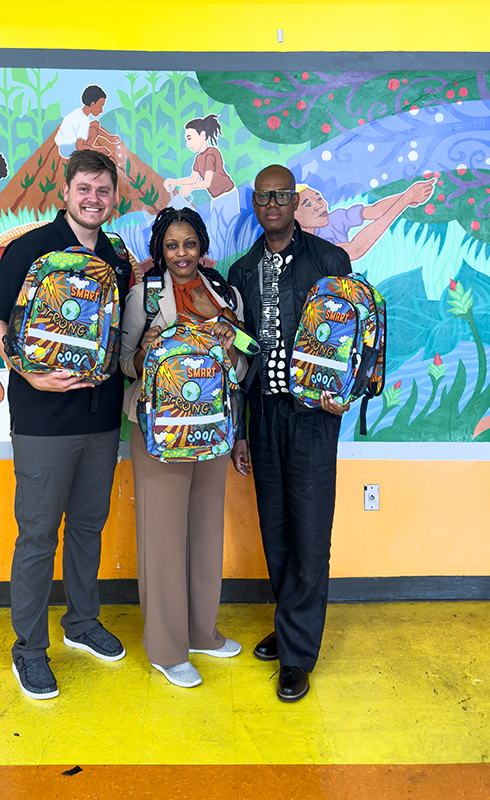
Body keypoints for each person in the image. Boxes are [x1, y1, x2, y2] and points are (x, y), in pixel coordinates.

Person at [0, 150, 133, 700]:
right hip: (44, 418)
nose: (93, 199)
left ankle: (82, 623)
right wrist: (25, 370)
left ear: (114, 198)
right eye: (84, 189)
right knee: (39, 535)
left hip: (102, 416)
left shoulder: (117, 259)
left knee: (90, 526)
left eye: (103, 190)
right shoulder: (27, 249)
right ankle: (29, 650)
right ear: (65, 192)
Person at [228, 165, 352, 703]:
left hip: (312, 417)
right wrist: (238, 430)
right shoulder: (242, 270)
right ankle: (289, 623)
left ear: (295, 200)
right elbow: (235, 356)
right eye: (263, 197)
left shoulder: (330, 260)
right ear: (255, 204)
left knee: (309, 532)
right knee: (275, 530)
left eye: (282, 195)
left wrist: (347, 388)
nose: (272, 203)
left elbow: (357, 333)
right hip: (264, 413)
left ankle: (299, 654)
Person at [119, 207, 246, 689]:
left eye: (189, 244)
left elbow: (241, 367)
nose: (181, 254)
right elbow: (123, 366)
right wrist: (145, 350)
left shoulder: (225, 296)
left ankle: (200, 632)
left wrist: (232, 342)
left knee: (204, 529)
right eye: (171, 245)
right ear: (160, 250)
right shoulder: (143, 298)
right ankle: (167, 647)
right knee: (163, 535)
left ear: (202, 246)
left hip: (212, 428)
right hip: (158, 430)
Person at [295, 179, 435, 261]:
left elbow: (374, 211)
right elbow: (355, 249)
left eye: (318, 198)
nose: (320, 205)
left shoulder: (332, 220)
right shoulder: (302, 248)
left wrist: (409, 196)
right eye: (308, 204)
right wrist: (405, 200)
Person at [164, 115, 239, 262]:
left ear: (202, 135)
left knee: (227, 233)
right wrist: (174, 181)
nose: (187, 143)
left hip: (228, 196)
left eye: (190, 138)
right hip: (217, 198)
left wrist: (190, 188)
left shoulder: (212, 153)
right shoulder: (199, 158)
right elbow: (193, 179)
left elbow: (207, 182)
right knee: (215, 232)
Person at [55, 85, 121, 159]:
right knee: (93, 130)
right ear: (92, 104)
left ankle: (87, 152)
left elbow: (91, 129)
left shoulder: (80, 112)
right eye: (100, 106)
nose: (101, 111)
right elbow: (79, 146)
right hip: (68, 149)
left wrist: (108, 137)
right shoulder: (83, 120)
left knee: (95, 124)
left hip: (65, 146)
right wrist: (98, 150)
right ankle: (85, 155)